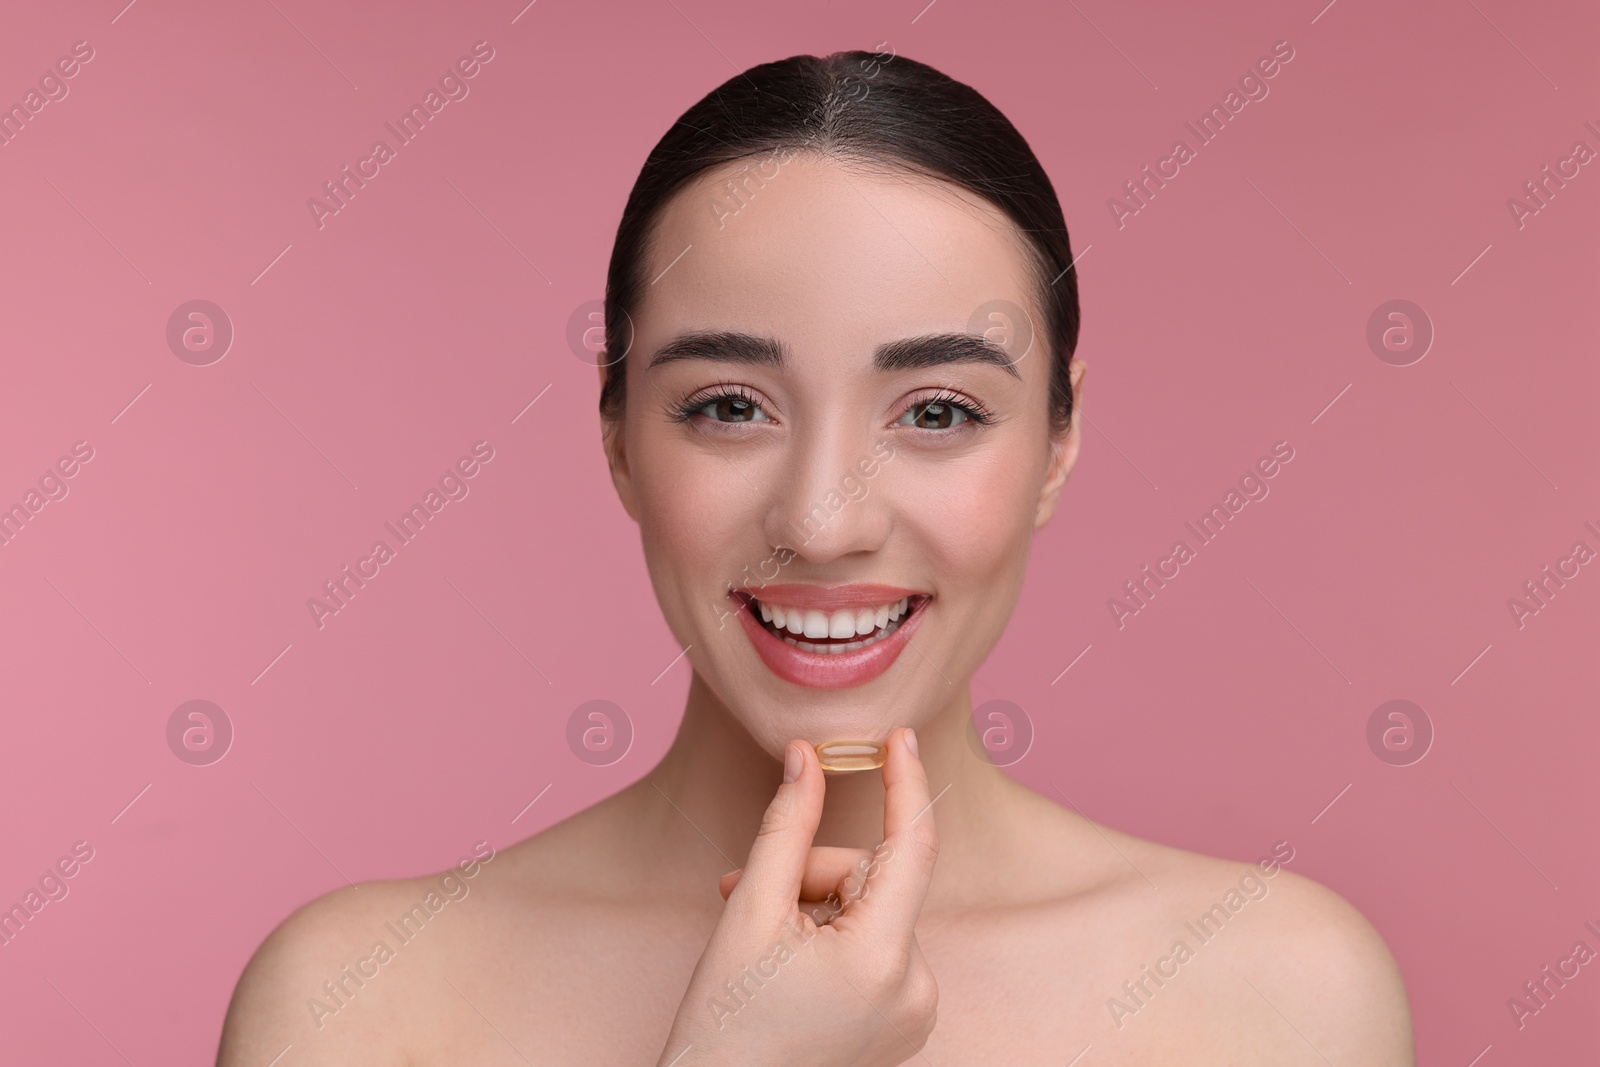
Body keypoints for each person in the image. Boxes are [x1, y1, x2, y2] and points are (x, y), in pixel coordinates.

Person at [217, 48, 1414, 1065]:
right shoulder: (357, 1004)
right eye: (730, 405)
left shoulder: (1277, 999)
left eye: (937, 411)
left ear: (1059, 438)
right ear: (617, 435)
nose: (825, 521)